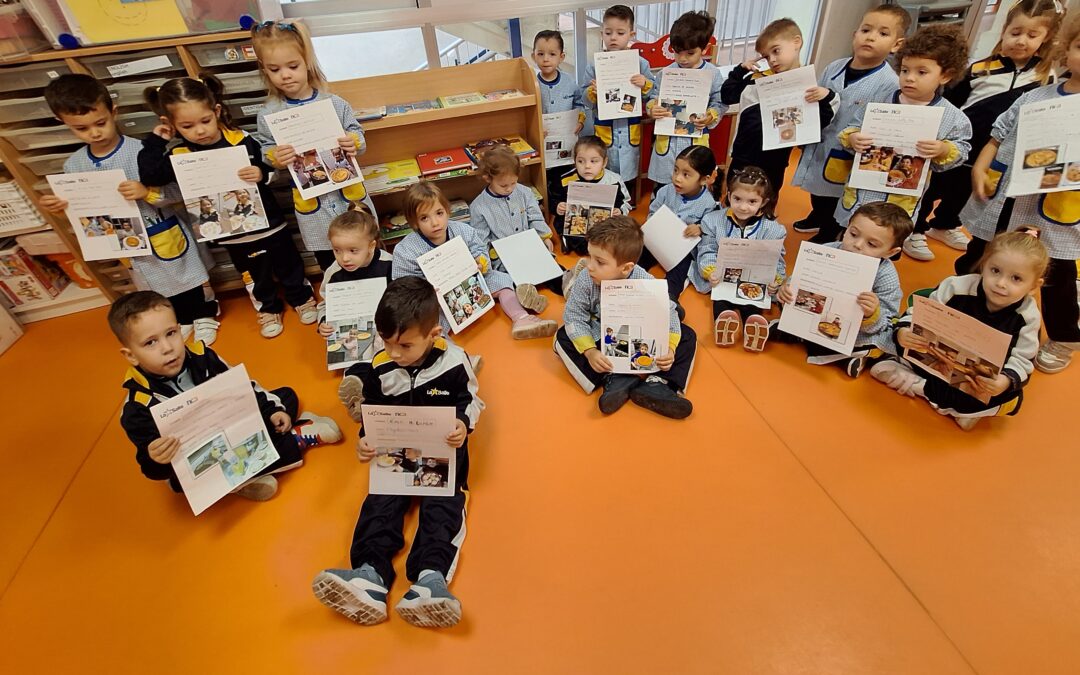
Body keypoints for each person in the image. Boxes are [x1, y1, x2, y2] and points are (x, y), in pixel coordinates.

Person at [312, 277, 482, 628]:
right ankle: (369, 575)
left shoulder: (454, 363)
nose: (393, 353)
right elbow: (373, 408)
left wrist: (463, 425)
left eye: (404, 345)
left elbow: (473, 400)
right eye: (387, 342)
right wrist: (365, 438)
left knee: (443, 505)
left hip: (443, 452)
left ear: (434, 334)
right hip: (396, 452)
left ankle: (430, 580)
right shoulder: (381, 365)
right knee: (381, 501)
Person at [38, 74, 219, 345]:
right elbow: (83, 213)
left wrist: (147, 193)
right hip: (125, 242)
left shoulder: (144, 151)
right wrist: (61, 206)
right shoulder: (73, 167)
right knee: (154, 285)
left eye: (100, 123)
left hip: (161, 229)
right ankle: (179, 319)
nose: (95, 133)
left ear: (113, 112)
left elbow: (181, 192)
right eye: (82, 129)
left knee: (187, 275)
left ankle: (204, 313)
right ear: (62, 123)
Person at [112, 291, 341, 502]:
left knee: (285, 397)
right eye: (150, 342)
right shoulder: (136, 407)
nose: (167, 348)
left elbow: (243, 387)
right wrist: (155, 458)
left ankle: (241, 480)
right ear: (131, 355)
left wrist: (273, 412)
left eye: (171, 333)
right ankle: (298, 437)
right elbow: (151, 468)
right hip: (209, 460)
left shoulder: (202, 355)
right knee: (182, 483)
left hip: (235, 430)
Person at [138, 75, 316, 339]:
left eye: (205, 121)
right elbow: (150, 176)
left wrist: (261, 173)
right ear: (173, 125)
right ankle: (267, 308)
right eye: (187, 126)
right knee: (253, 274)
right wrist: (157, 140)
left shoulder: (241, 140)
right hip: (230, 233)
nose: (199, 131)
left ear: (217, 111)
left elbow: (270, 168)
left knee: (288, 263)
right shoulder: (179, 155)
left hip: (269, 223)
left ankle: (301, 298)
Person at [957, 12, 1080, 374]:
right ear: (1066, 48)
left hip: (1055, 209)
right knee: (979, 255)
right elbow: (998, 134)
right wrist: (981, 166)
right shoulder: (1034, 97)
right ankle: (968, 304)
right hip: (1005, 200)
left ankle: (1064, 336)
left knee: (1055, 276)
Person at [907, 0, 1063, 261]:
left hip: (995, 152)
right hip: (960, 144)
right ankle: (917, 228)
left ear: (1046, 39)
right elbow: (951, 103)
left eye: (1032, 35)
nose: (1021, 41)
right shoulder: (982, 69)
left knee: (966, 193)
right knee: (936, 186)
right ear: (1004, 31)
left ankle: (944, 225)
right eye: (1015, 33)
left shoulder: (1045, 79)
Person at [871, 229, 1046, 430]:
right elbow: (920, 310)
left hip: (974, 380)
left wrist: (1004, 381)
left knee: (993, 395)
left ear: (1034, 286)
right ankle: (945, 403)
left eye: (1016, 278)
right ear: (983, 266)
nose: (1001, 283)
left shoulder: (1027, 317)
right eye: (995, 270)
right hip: (934, 358)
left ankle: (918, 386)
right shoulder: (957, 286)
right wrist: (904, 333)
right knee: (895, 341)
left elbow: (1024, 360)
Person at [251, 19, 375, 271]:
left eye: (293, 66)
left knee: (364, 249)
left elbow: (357, 134)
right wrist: (276, 157)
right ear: (265, 70)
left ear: (307, 62)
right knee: (330, 260)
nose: (285, 75)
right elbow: (265, 150)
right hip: (314, 205)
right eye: (274, 70)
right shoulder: (268, 114)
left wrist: (353, 142)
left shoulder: (335, 103)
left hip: (347, 197)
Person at [834, 24, 973, 235]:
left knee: (888, 240)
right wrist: (853, 138)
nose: (909, 77)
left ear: (945, 75)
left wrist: (943, 150)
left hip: (902, 198)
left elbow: (962, 150)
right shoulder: (879, 100)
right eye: (905, 70)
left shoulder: (952, 117)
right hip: (863, 191)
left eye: (922, 72)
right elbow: (852, 126)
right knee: (851, 237)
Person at [554, 216, 696, 419]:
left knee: (688, 335)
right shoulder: (587, 278)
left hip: (640, 340)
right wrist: (590, 352)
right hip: (604, 337)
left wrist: (670, 349)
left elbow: (669, 315)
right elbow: (574, 314)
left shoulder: (645, 281)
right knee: (563, 337)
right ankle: (615, 378)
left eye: (600, 262)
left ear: (626, 268)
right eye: (589, 256)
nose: (590, 266)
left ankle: (659, 385)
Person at [792, 4, 908, 242]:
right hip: (821, 140)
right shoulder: (835, 67)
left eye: (883, 34)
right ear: (855, 34)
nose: (871, 37)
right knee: (816, 186)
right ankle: (817, 215)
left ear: (897, 44)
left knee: (837, 195)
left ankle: (829, 230)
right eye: (866, 30)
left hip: (850, 151)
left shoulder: (890, 84)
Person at [392, 181, 557, 340]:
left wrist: (480, 262)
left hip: (472, 282)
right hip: (438, 298)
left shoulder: (462, 230)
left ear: (447, 211)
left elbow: (479, 248)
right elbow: (403, 283)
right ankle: (445, 350)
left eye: (439, 213)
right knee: (428, 319)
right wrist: (425, 290)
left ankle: (521, 318)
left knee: (503, 281)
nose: (435, 223)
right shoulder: (405, 250)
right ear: (414, 222)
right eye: (424, 218)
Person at [776, 201, 910, 377]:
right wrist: (787, 289)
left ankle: (855, 355)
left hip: (855, 331)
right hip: (814, 315)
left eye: (872, 244)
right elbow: (800, 278)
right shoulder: (827, 250)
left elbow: (889, 321)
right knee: (790, 315)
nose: (857, 245)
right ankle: (798, 334)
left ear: (891, 252)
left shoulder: (885, 275)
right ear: (847, 228)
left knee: (879, 341)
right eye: (853, 234)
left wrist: (872, 313)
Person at [722, 17, 837, 196]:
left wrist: (826, 96)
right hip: (742, 156)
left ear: (796, 42)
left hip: (773, 162)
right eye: (767, 57)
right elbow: (727, 95)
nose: (772, 60)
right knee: (734, 200)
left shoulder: (808, 86)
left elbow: (819, 123)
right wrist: (741, 70)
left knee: (766, 203)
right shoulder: (757, 79)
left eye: (776, 51)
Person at [698, 167, 787, 352]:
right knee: (721, 300)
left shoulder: (773, 230)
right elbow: (707, 250)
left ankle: (753, 329)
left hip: (755, 283)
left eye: (752, 201)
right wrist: (710, 271)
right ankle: (724, 324)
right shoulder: (713, 221)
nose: (743, 207)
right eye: (737, 199)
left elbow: (777, 261)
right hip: (724, 280)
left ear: (764, 202)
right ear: (729, 196)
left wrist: (775, 280)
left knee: (753, 304)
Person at [468, 144, 558, 308]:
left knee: (552, 268)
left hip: (529, 247)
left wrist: (544, 237)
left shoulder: (524, 192)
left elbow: (535, 217)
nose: (509, 189)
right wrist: (483, 260)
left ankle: (566, 283)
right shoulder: (479, 207)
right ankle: (529, 299)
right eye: (503, 186)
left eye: (514, 183)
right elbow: (480, 240)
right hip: (503, 257)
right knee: (511, 279)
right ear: (488, 178)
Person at [646, 11, 726, 194]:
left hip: (694, 140)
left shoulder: (713, 74)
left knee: (693, 186)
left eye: (690, 53)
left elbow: (719, 101)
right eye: (677, 52)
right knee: (664, 189)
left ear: (704, 49)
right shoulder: (665, 73)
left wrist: (711, 115)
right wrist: (652, 109)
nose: (682, 59)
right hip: (667, 143)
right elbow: (653, 97)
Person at [579, 5, 656, 182]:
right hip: (606, 128)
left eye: (620, 33)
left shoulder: (641, 63)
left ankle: (627, 200)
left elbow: (652, 94)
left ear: (631, 34)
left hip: (629, 126)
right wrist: (592, 92)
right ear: (601, 34)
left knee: (629, 169)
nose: (613, 38)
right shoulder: (594, 65)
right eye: (608, 33)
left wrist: (645, 84)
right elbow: (583, 98)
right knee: (606, 169)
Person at [641, 145, 717, 304]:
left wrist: (700, 228)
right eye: (675, 170)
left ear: (704, 179)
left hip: (681, 251)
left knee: (680, 270)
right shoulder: (665, 191)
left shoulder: (708, 203)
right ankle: (628, 281)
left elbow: (711, 227)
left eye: (686, 174)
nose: (677, 178)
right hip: (658, 241)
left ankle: (668, 300)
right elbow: (652, 212)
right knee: (637, 253)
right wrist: (655, 222)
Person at [548, 136, 632, 256]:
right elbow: (552, 200)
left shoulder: (614, 180)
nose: (587, 166)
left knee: (620, 236)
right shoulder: (565, 180)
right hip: (576, 223)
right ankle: (567, 239)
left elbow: (626, 202)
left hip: (604, 224)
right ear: (574, 161)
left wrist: (620, 211)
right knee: (580, 246)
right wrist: (558, 207)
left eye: (594, 161)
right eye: (581, 161)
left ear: (604, 162)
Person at [533, 30, 585, 188]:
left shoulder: (569, 81)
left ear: (561, 57)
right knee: (543, 181)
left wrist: (580, 121)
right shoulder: (531, 83)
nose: (546, 59)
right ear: (533, 56)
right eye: (540, 54)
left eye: (552, 54)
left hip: (566, 145)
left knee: (565, 180)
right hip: (541, 143)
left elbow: (579, 103)